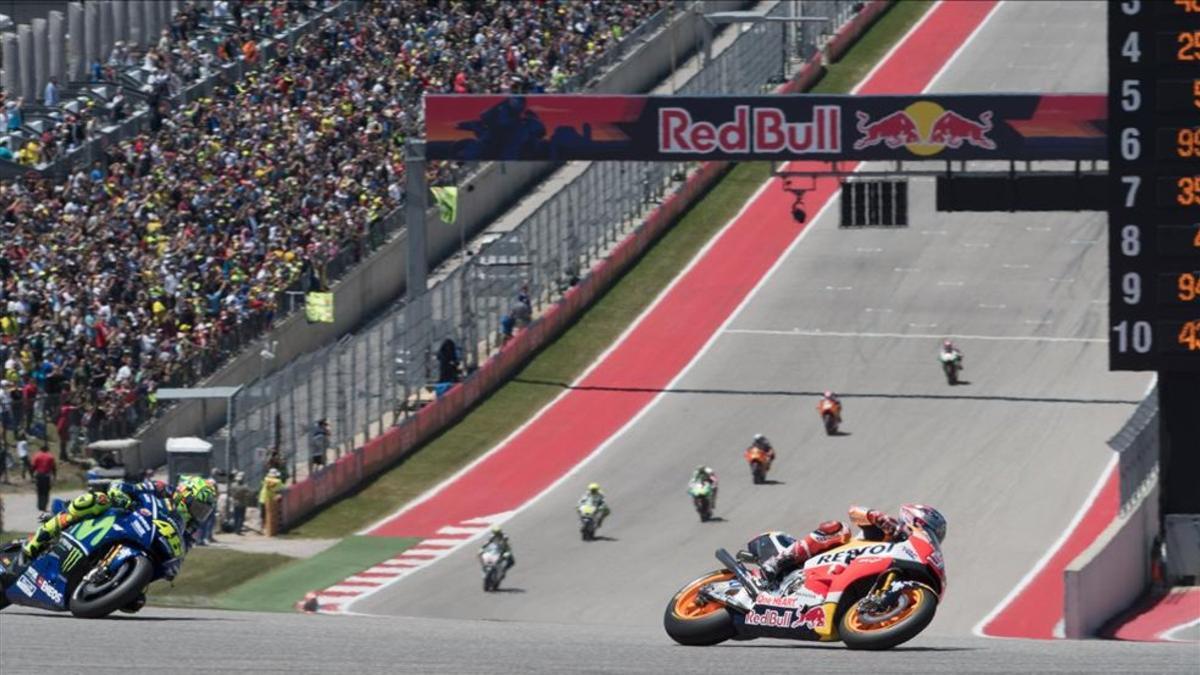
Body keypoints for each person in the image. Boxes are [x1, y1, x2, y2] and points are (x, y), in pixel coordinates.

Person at [22, 476, 216, 560]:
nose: (199, 514)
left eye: (204, 511)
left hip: (147, 539)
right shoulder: (162, 489)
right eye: (198, 507)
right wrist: (122, 494)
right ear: (186, 495)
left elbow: (182, 551)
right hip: (126, 515)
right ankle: (44, 533)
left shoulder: (190, 529)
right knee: (99, 499)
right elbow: (130, 487)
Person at [759, 504, 948, 584]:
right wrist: (879, 518)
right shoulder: (889, 528)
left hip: (844, 577)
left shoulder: (909, 555)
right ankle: (777, 562)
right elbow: (855, 511)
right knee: (838, 528)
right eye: (933, 530)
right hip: (829, 561)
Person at [30, 445, 56, 512]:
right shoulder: (50, 456)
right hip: (47, 476)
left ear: (40, 449)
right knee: (46, 491)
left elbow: (33, 467)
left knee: (39, 490)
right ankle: (44, 506)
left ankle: (40, 506)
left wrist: (32, 475)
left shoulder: (37, 456)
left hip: (39, 475)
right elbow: (53, 468)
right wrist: (54, 476)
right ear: (47, 449)